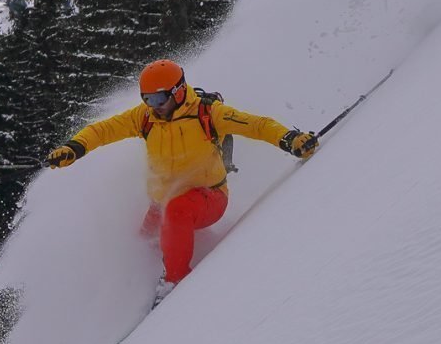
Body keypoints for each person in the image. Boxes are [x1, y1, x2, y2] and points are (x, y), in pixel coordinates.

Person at [47, 59, 318, 305]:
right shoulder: (144, 118)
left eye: (159, 99)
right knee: (143, 246)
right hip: (161, 204)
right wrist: (75, 148)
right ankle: (173, 268)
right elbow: (103, 130)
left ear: (177, 91)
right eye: (147, 99)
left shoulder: (208, 113)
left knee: (177, 211)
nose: (154, 106)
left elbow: (256, 124)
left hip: (209, 197)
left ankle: (174, 285)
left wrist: (290, 139)